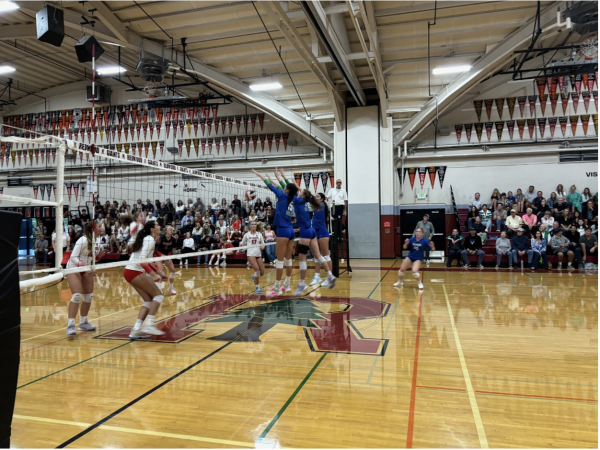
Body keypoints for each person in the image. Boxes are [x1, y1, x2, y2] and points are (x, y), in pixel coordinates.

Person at [277, 169, 334, 294]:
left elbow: (290, 189)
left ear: (301, 195)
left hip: (306, 232)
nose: (299, 191)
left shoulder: (297, 201)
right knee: (318, 256)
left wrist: (283, 178)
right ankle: (329, 275)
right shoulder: (306, 200)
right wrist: (283, 176)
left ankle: (302, 284)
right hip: (312, 231)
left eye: (300, 192)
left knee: (302, 259)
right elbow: (296, 190)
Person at [252, 168, 299, 296]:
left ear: (287, 190)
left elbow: (269, 184)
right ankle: (287, 285)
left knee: (279, 261)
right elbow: (283, 185)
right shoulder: (293, 198)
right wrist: (280, 176)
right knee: (288, 260)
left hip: (283, 230)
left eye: (285, 188)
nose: (283, 189)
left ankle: (277, 287)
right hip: (290, 230)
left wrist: (258, 174)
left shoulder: (283, 196)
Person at [124, 221, 169, 338]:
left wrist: (159, 272)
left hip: (130, 271)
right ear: (152, 229)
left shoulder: (149, 239)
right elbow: (142, 260)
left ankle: (136, 330)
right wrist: (153, 275)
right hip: (134, 271)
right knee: (158, 296)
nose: (160, 226)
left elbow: (148, 260)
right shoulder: (149, 239)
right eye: (157, 225)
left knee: (148, 301)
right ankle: (149, 324)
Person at [65, 222, 108, 336]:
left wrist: (99, 256)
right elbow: (73, 257)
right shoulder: (83, 240)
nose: (102, 227)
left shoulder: (98, 241)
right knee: (77, 295)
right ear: (93, 229)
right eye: (99, 226)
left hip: (86, 268)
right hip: (74, 267)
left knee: (89, 296)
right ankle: (70, 325)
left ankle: (83, 322)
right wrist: (84, 268)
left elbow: (94, 259)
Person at [310, 192, 335, 286]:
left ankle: (329, 277)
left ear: (322, 199)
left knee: (326, 255)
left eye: (318, 196)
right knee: (317, 256)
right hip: (314, 231)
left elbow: (309, 197)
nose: (316, 197)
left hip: (322, 232)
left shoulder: (322, 204)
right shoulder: (315, 206)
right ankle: (317, 277)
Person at [240, 221, 266, 294]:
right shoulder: (246, 235)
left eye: (255, 224)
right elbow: (242, 243)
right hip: (250, 254)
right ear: (250, 226)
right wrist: (241, 248)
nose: (253, 225)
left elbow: (263, 244)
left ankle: (254, 277)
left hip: (258, 254)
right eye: (252, 224)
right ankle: (257, 287)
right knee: (257, 270)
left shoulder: (259, 234)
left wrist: (262, 247)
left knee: (262, 273)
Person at [155, 225, 177, 295]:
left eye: (172, 229)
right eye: (169, 229)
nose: (171, 230)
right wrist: (161, 255)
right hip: (158, 255)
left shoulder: (173, 239)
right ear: (166, 231)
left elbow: (171, 250)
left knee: (173, 271)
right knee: (161, 270)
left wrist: (168, 256)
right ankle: (159, 288)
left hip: (166, 256)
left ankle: (170, 287)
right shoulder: (161, 238)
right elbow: (155, 249)